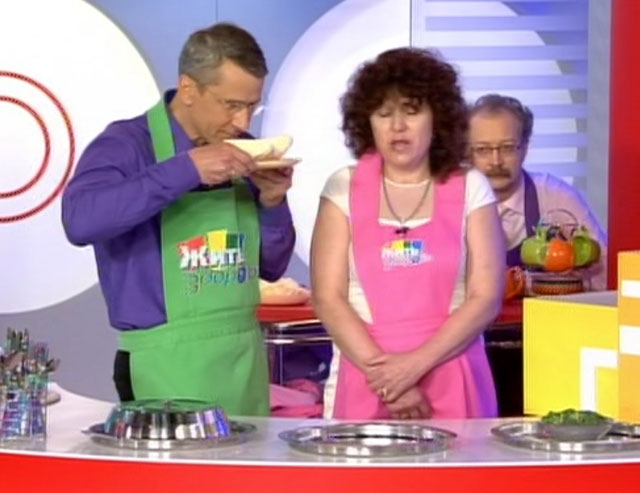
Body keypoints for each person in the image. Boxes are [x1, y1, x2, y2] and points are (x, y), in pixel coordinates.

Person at [61, 23, 295, 415]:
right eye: (230, 105)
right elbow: (80, 221)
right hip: (162, 365)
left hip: (243, 360)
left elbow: (270, 267)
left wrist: (273, 203)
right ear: (188, 89)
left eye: (252, 106)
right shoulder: (127, 144)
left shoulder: (244, 151)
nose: (243, 122)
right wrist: (186, 169)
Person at [311, 48, 504, 420]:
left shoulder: (472, 187)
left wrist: (412, 367)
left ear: (438, 118)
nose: (397, 126)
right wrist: (388, 381)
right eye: (384, 114)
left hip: (453, 369)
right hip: (367, 375)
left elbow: (485, 298)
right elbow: (328, 298)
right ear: (367, 122)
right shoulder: (342, 188)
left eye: (412, 112)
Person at [468, 94, 607, 290]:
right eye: (483, 149)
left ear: (525, 148)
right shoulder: (450, 201)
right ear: (467, 153)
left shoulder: (555, 195)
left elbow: (605, 269)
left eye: (507, 148)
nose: (496, 161)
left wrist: (574, 278)